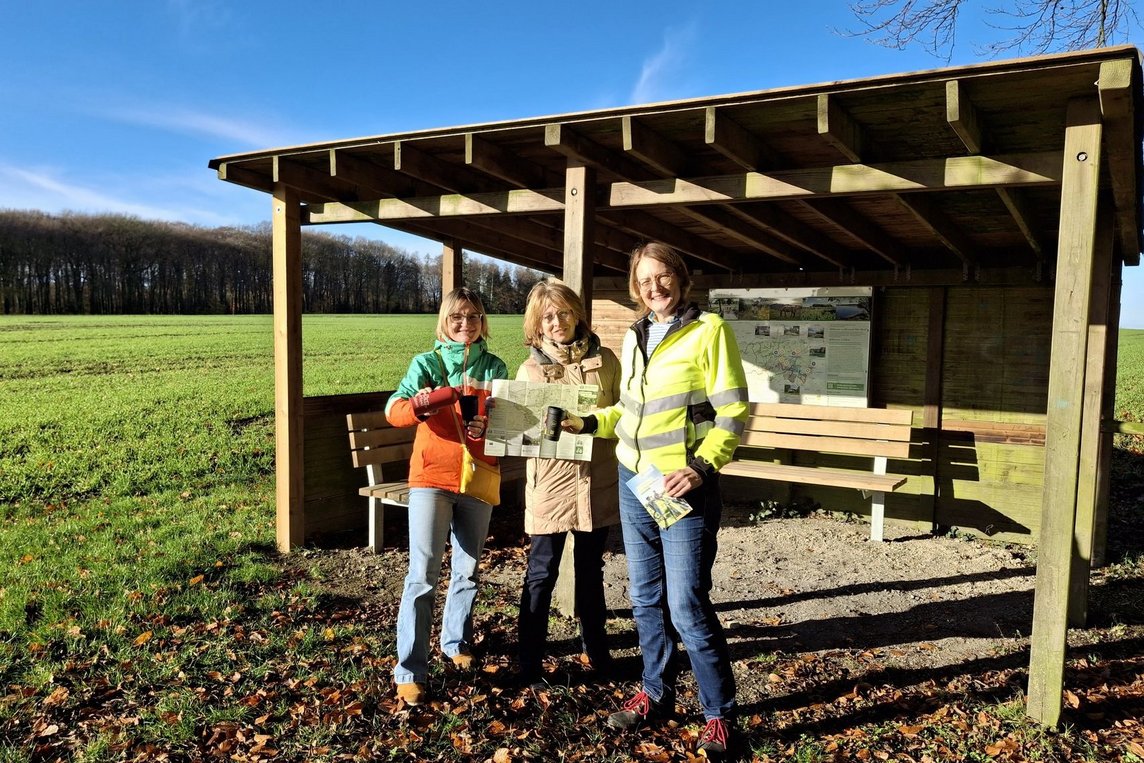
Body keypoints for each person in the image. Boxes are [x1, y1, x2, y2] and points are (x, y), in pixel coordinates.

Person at [563, 243, 749, 759]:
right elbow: (628, 411)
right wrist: (587, 423)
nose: (654, 287)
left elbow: (734, 412)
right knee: (645, 598)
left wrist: (700, 467)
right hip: (634, 482)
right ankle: (656, 694)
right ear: (635, 287)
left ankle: (719, 715)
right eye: (645, 280)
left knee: (687, 605)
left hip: (682, 486)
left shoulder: (709, 331)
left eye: (663, 276)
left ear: (681, 279)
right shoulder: (636, 333)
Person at [384, 287, 508, 707]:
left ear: (482, 321)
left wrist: (485, 428)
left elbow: (506, 422)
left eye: (473, 317)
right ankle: (410, 669)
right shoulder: (427, 363)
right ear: (445, 320)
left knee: (468, 569)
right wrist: (421, 404)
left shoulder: (495, 366)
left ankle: (455, 644)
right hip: (431, 478)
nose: (465, 324)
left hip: (478, 477)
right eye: (457, 317)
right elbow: (394, 411)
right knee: (422, 575)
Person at [514, 279, 621, 687]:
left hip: (597, 482)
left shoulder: (607, 361)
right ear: (537, 325)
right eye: (548, 316)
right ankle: (529, 664)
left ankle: (597, 654)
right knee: (541, 573)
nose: (557, 322)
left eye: (563, 312)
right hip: (552, 485)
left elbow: (623, 415)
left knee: (591, 571)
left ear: (577, 313)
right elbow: (522, 433)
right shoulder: (529, 370)